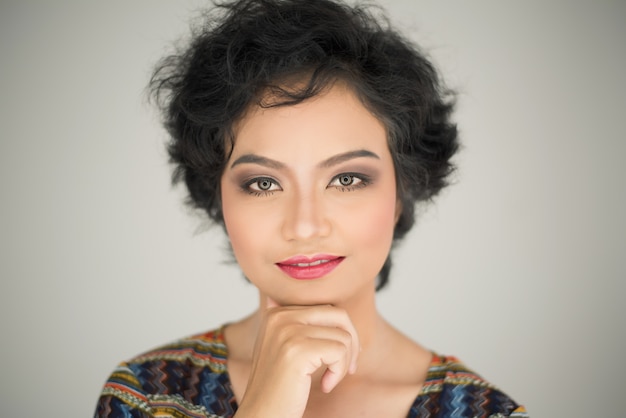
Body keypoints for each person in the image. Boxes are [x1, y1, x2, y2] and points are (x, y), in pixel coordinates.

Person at [95, 0, 527, 416]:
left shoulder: (483, 413)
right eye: (263, 184)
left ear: (401, 191)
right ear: (218, 197)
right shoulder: (145, 396)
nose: (305, 226)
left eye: (346, 179)